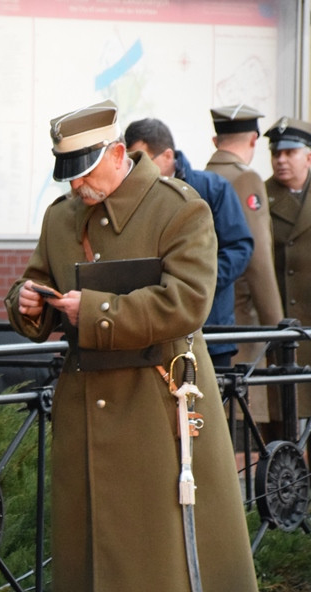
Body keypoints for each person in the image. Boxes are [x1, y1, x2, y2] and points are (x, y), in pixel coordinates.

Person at [5, 99, 263, 592]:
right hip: (89, 399)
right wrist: (25, 302)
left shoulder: (180, 208)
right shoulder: (62, 215)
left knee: (176, 531)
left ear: (120, 154)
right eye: (68, 175)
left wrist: (92, 308)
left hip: (161, 396)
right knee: (95, 530)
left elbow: (187, 301)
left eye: (87, 172)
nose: (78, 187)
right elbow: (42, 281)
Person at [124, 117, 253, 369]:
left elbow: (239, 248)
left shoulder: (212, 188)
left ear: (168, 155)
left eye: (142, 160)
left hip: (210, 326)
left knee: (215, 405)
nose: (135, 169)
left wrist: (196, 284)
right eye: (131, 161)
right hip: (154, 331)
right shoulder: (133, 195)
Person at [206, 104, 284, 429]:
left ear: (215, 140)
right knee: (245, 431)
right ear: (254, 139)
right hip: (240, 323)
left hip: (206, 317)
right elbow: (258, 258)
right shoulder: (246, 178)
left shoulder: (201, 178)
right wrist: (277, 328)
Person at [264, 117, 311, 422]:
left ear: (308, 156)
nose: (280, 160)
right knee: (284, 417)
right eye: (275, 153)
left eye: (289, 153)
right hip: (282, 324)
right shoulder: (261, 195)